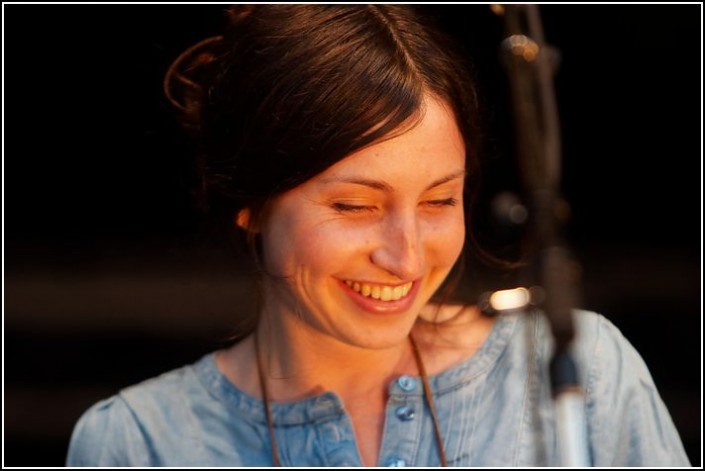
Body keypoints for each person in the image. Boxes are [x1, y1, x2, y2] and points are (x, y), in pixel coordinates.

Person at [66, 5, 690, 467]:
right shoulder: (137, 443)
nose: (407, 257)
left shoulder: (577, 369)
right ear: (249, 203)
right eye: (356, 205)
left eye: (440, 200)